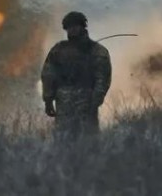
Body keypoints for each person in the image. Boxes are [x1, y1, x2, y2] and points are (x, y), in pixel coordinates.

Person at [41, 11, 112, 139]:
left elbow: (102, 78)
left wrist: (95, 101)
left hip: (86, 102)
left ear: (82, 27)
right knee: (63, 140)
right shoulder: (58, 49)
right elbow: (48, 75)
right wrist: (48, 100)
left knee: (88, 141)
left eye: (74, 26)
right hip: (63, 103)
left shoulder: (97, 51)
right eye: (68, 27)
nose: (71, 30)